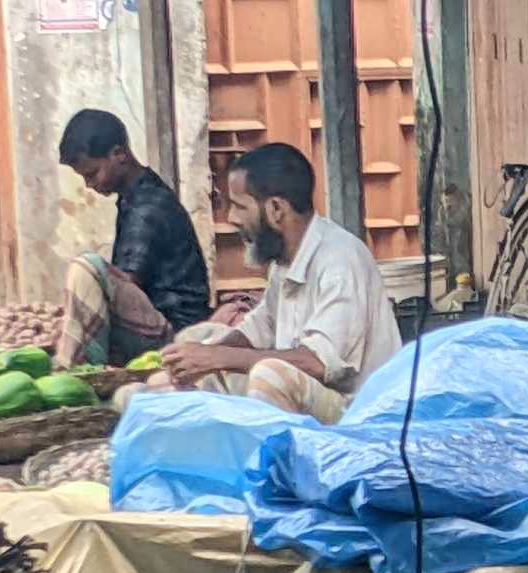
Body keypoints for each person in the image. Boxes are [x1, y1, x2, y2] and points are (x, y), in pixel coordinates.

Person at [152, 142, 400, 422]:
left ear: (276, 209)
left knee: (269, 374)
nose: (232, 218)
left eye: (239, 206)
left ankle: (267, 462)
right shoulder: (286, 260)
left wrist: (217, 357)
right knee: (196, 341)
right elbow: (260, 326)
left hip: (358, 413)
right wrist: (204, 354)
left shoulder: (340, 260)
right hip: (310, 399)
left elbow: (317, 363)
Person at [53, 109, 210, 369]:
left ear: (119, 154)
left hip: (176, 331)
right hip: (159, 321)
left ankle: (73, 372)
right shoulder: (134, 196)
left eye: (92, 174)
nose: (89, 185)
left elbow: (128, 285)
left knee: (86, 268)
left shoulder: (149, 206)